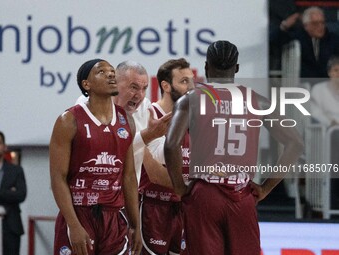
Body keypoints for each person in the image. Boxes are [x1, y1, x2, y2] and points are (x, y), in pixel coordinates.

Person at [164, 40, 304, 254]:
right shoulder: (258, 101)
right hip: (242, 193)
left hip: (206, 192)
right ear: (236, 68)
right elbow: (295, 143)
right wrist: (266, 188)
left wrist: (179, 188)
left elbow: (172, 144)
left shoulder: (191, 99)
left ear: (206, 66)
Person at [50, 59, 142, 255]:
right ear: (86, 84)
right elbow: (58, 178)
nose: (110, 74)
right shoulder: (68, 120)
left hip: (114, 215)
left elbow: (128, 177)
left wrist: (135, 224)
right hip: (80, 212)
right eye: (101, 72)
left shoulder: (127, 121)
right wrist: (73, 225)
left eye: (112, 71)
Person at [76, 60, 172, 186]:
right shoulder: (88, 103)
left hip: (128, 196)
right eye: (134, 87)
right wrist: (147, 135)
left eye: (144, 89)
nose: (140, 95)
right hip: (92, 192)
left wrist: (179, 142)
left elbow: (158, 153)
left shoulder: (145, 107)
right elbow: (103, 149)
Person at [138, 58, 194, 255]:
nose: (191, 87)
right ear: (166, 85)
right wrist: (196, 186)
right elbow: (154, 173)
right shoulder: (148, 114)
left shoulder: (194, 119)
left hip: (184, 207)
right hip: (154, 206)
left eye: (192, 81)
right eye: (184, 81)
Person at [271, 6, 339, 81]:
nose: (320, 26)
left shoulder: (333, 39)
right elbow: (273, 42)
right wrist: (285, 26)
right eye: (315, 23)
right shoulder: (297, 38)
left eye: (322, 22)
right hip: (302, 84)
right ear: (306, 25)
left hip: (327, 85)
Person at [310, 55, 339, 207]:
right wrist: (330, 122)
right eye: (336, 70)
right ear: (329, 72)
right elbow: (315, 112)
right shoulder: (318, 89)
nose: (338, 74)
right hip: (327, 136)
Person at [0, 131, 27, 255]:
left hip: (11, 225)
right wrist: (9, 192)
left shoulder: (16, 170)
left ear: (4, 147)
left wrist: (1, 192)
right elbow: (13, 195)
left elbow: (21, 194)